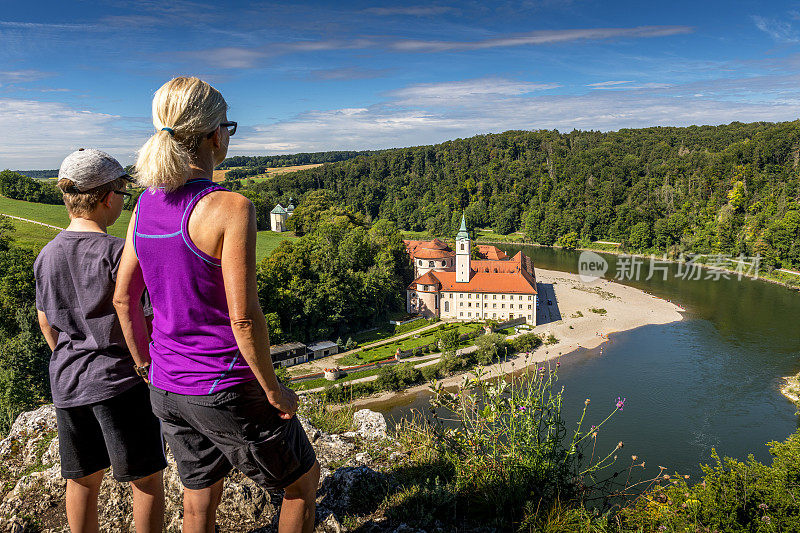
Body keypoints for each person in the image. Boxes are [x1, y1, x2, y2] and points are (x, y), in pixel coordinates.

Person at [113, 77, 319, 533]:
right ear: (214, 135)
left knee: (199, 496)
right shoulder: (230, 207)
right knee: (301, 483)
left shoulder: (145, 205)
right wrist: (272, 390)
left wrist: (146, 364)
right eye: (228, 126)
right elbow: (242, 318)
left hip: (166, 388)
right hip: (222, 384)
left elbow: (124, 297)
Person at [34, 148, 166, 533]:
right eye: (123, 195)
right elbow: (140, 316)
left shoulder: (47, 255)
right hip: (119, 380)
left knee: (82, 478)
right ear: (108, 197)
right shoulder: (118, 252)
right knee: (146, 480)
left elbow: (46, 322)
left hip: (68, 381)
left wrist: (70, 355)